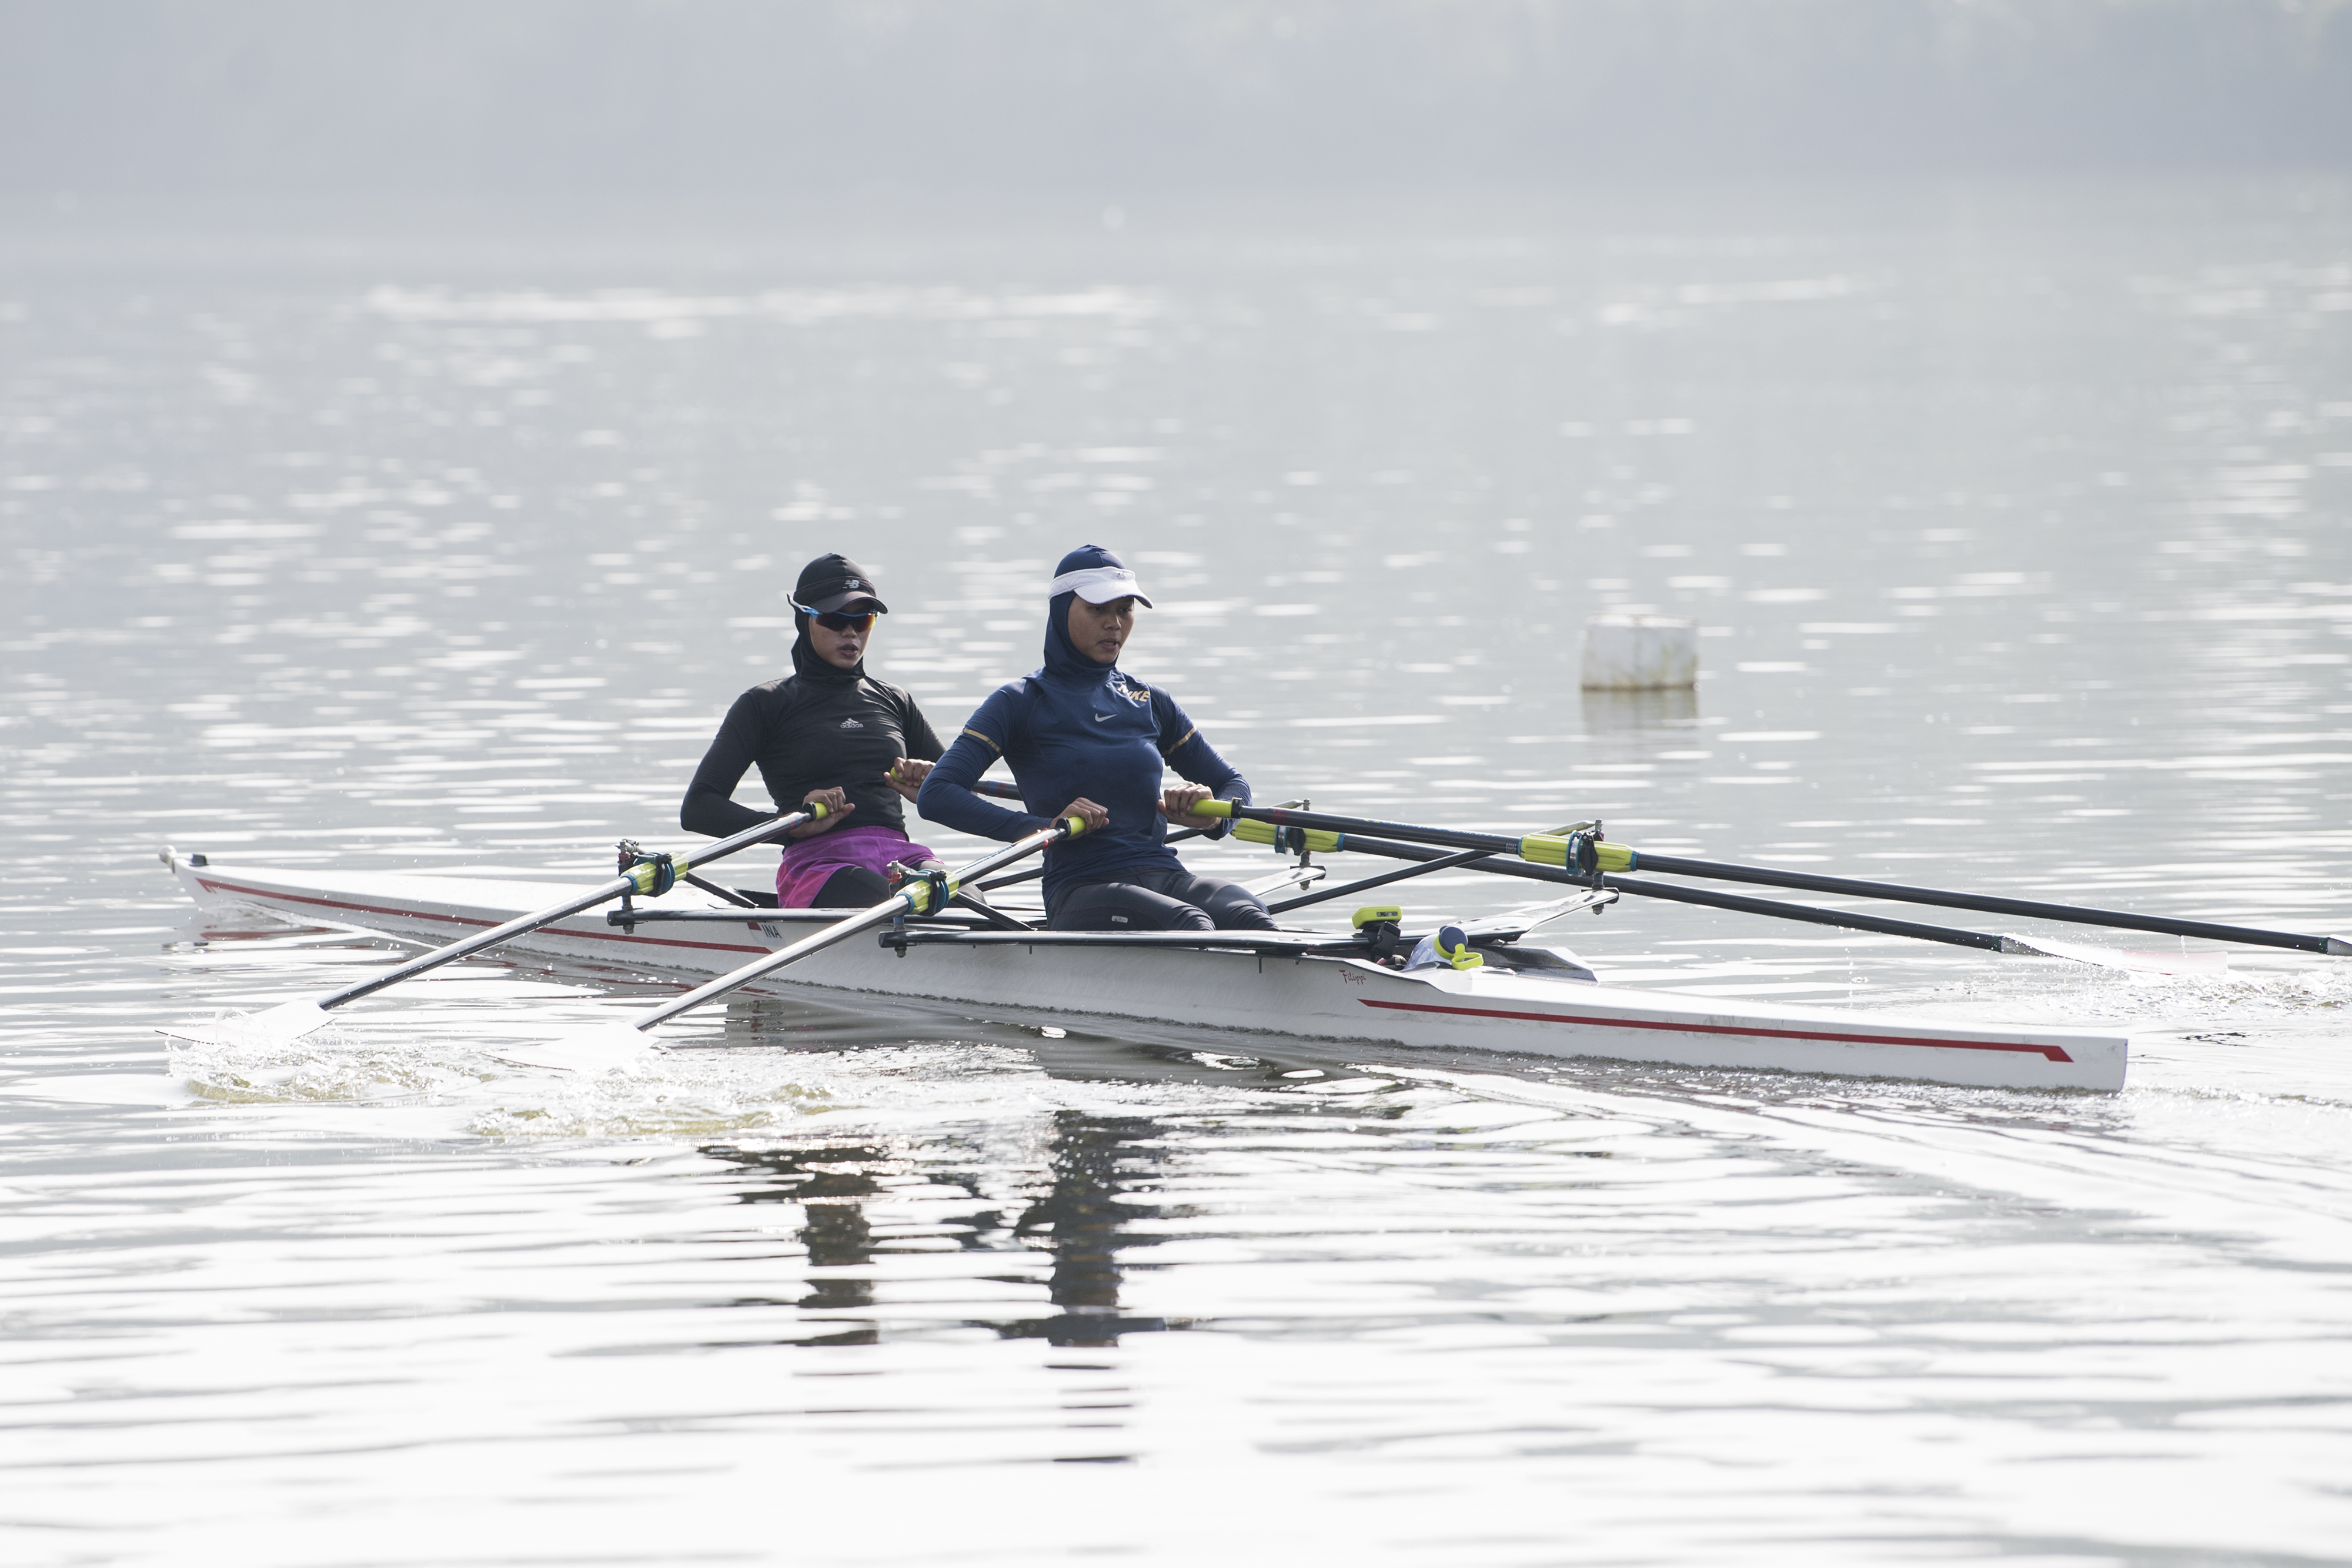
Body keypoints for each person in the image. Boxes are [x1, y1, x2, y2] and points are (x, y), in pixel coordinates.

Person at [918, 544, 1275, 932]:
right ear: (1061, 610)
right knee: (1189, 922)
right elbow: (937, 793)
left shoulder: (1150, 701)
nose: (1114, 623)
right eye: (1098, 609)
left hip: (1165, 873)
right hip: (1081, 886)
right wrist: (1041, 828)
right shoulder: (1019, 702)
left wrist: (1211, 814)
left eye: (1125, 610)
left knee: (1250, 914)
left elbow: (1233, 785)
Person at [680, 553, 946, 908]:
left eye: (863, 619)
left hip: (904, 859)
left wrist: (933, 788)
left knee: (966, 896)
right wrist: (790, 825)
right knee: (892, 904)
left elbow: (958, 793)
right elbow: (698, 808)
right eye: (836, 619)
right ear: (803, 619)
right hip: (820, 865)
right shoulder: (765, 704)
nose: (850, 631)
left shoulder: (895, 700)